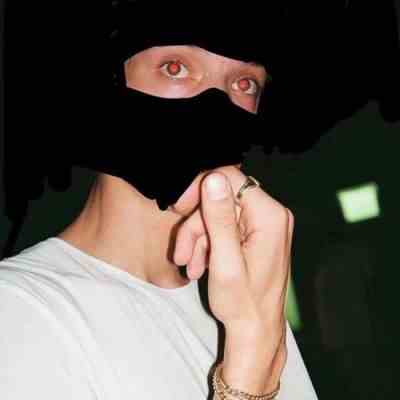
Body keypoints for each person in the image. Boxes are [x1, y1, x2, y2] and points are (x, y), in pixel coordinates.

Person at [0, 1, 318, 399]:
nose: (217, 107)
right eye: (175, 68)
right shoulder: (20, 311)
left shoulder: (243, 301)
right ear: (108, 87)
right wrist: (248, 381)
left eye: (243, 83)